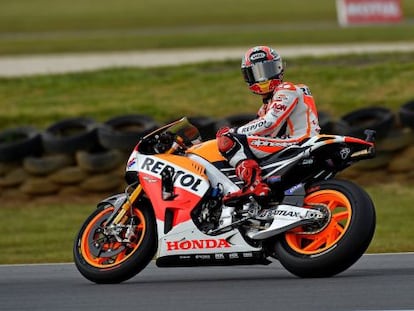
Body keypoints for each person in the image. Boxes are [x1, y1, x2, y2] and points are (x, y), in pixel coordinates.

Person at [216, 45, 320, 203]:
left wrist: (234, 132)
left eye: (267, 70)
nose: (263, 78)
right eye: (256, 73)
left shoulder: (287, 88)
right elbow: (267, 130)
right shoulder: (266, 106)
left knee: (228, 141)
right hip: (296, 143)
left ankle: (254, 185)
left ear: (279, 68)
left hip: (299, 142)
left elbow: (269, 123)